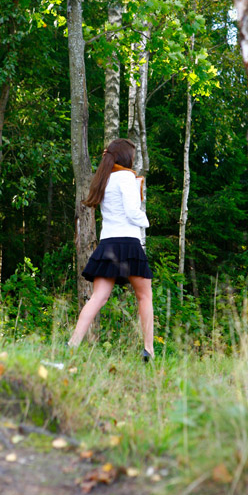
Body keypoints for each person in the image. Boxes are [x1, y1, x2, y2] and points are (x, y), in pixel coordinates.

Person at [68, 138, 155, 361]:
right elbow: (132, 211)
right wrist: (146, 221)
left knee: (98, 297)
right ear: (126, 157)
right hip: (128, 242)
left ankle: (73, 344)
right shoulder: (126, 177)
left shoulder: (105, 178)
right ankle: (148, 349)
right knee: (144, 296)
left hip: (108, 243)